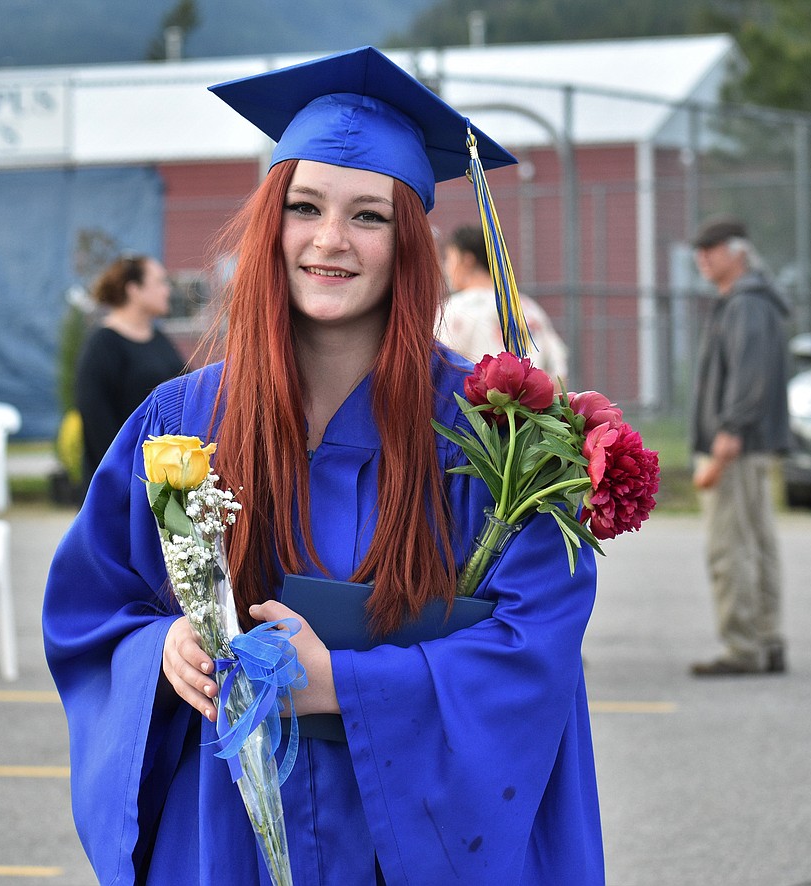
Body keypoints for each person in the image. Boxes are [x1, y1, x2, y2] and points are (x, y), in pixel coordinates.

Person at [43, 46, 603, 885]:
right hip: (228, 824)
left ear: (409, 241)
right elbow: (93, 611)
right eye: (305, 207)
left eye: (368, 216)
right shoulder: (184, 419)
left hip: (413, 837)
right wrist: (162, 649)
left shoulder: (493, 436)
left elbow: (535, 644)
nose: (329, 241)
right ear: (272, 222)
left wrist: (343, 684)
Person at [688, 216, 791, 677]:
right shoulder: (750, 301)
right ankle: (767, 639)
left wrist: (727, 434)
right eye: (699, 250)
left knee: (730, 547)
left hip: (735, 445)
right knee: (757, 542)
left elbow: (751, 377)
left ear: (738, 252)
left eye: (711, 248)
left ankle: (742, 647)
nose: (702, 258)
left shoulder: (747, 304)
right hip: (750, 446)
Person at [73, 255, 186, 497]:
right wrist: (125, 480)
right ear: (134, 290)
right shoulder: (103, 345)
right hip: (125, 486)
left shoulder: (159, 339)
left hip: (167, 480)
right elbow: (97, 425)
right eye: (160, 282)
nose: (167, 290)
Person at [438, 224, 570, 384]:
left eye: (449, 258)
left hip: (473, 407)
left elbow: (437, 369)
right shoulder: (528, 307)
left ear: (467, 260)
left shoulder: (454, 309)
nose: (446, 267)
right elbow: (558, 376)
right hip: (531, 407)